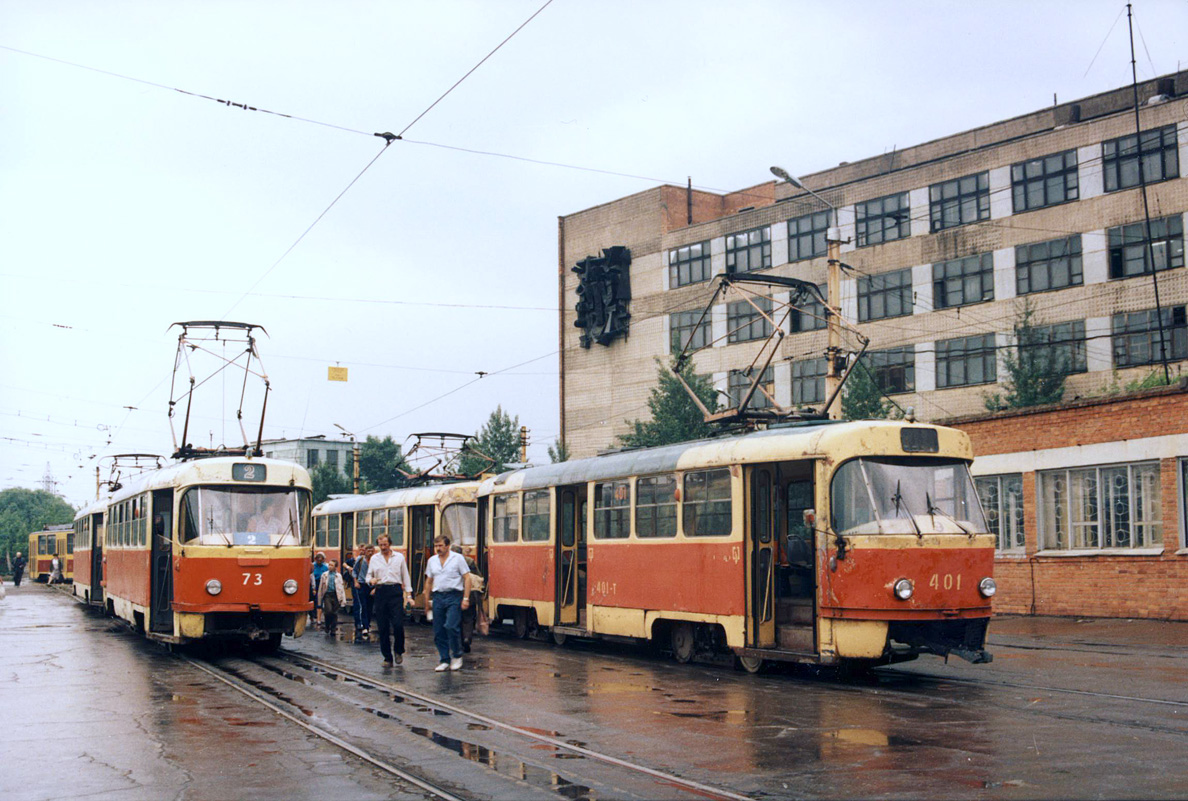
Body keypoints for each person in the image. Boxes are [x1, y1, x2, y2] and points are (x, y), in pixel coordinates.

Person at [424, 534, 470, 672]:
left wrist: (466, 598)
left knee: (451, 625)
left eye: (440, 546)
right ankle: (444, 659)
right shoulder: (432, 561)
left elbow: (467, 578)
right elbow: (429, 581)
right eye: (436, 546)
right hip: (438, 596)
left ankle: (457, 655)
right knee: (438, 630)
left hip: (453, 595)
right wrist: (426, 602)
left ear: (447, 546)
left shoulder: (457, 559)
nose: (438, 549)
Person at [368, 534, 413, 666]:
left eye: (385, 545)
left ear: (390, 544)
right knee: (383, 627)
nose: (383, 547)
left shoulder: (399, 557)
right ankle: (387, 658)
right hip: (381, 591)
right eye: (381, 545)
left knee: (398, 624)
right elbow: (368, 576)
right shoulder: (374, 559)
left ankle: (399, 650)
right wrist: (371, 580)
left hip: (395, 591)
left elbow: (405, 576)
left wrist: (409, 596)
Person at [453, 545, 484, 653]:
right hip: (470, 594)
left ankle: (460, 641)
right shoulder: (469, 561)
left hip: (456, 594)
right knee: (469, 618)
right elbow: (478, 576)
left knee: (458, 618)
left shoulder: (450, 562)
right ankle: (467, 638)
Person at [317, 559, 347, 634]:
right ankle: (327, 625)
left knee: (335, 613)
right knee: (328, 611)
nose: (329, 567)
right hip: (327, 595)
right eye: (329, 565)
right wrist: (319, 599)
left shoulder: (338, 576)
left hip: (336, 595)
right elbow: (321, 587)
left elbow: (341, 588)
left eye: (332, 565)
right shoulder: (324, 575)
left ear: (335, 567)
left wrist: (343, 599)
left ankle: (333, 629)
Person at [351, 544, 372, 639]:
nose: (370, 553)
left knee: (370, 606)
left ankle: (368, 623)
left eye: (372, 551)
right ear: (365, 551)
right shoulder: (360, 560)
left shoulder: (375, 561)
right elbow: (354, 571)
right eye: (368, 551)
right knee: (362, 605)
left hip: (371, 585)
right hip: (361, 584)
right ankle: (365, 626)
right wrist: (356, 582)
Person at [311, 552, 328, 627]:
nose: (319, 561)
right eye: (318, 559)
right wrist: (313, 587)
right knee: (314, 599)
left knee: (320, 600)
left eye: (321, 560)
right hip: (314, 582)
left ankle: (318, 616)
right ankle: (312, 615)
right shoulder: (312, 566)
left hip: (323, 583)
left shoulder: (325, 566)